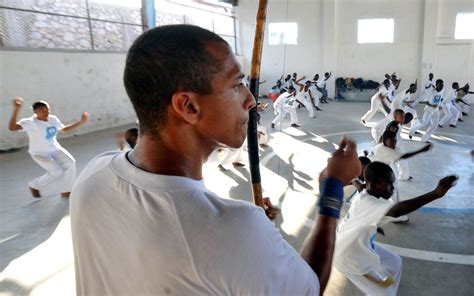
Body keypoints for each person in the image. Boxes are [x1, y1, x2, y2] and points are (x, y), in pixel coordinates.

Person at [70, 24, 362, 296]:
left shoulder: (93, 175)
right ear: (188, 106)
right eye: (236, 85)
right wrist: (332, 189)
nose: (249, 99)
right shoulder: (232, 230)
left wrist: (248, 238)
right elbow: (309, 286)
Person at [334, 161, 458, 296]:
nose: (393, 188)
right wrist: (435, 194)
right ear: (374, 184)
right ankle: (380, 290)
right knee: (384, 294)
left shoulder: (365, 191)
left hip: (358, 245)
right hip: (349, 258)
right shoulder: (369, 203)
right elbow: (396, 211)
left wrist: (374, 225)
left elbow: (359, 185)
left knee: (394, 261)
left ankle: (382, 285)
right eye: (389, 184)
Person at [8, 97, 88, 198]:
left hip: (55, 148)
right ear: (34, 111)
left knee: (71, 163)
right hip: (39, 153)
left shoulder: (53, 119)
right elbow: (12, 128)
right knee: (57, 172)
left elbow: (64, 129)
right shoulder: (30, 122)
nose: (46, 111)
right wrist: (16, 109)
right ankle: (34, 185)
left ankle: (67, 190)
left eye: (47, 109)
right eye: (42, 109)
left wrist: (80, 122)